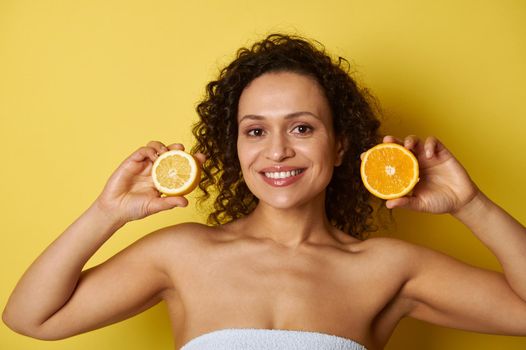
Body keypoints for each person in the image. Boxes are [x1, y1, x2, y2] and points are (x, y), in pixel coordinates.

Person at [2, 33, 526, 350]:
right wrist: (106, 212)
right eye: (255, 131)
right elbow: (30, 318)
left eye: (302, 128)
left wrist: (472, 207)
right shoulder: (181, 255)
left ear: (341, 145)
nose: (276, 152)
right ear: (235, 147)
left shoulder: (389, 269)